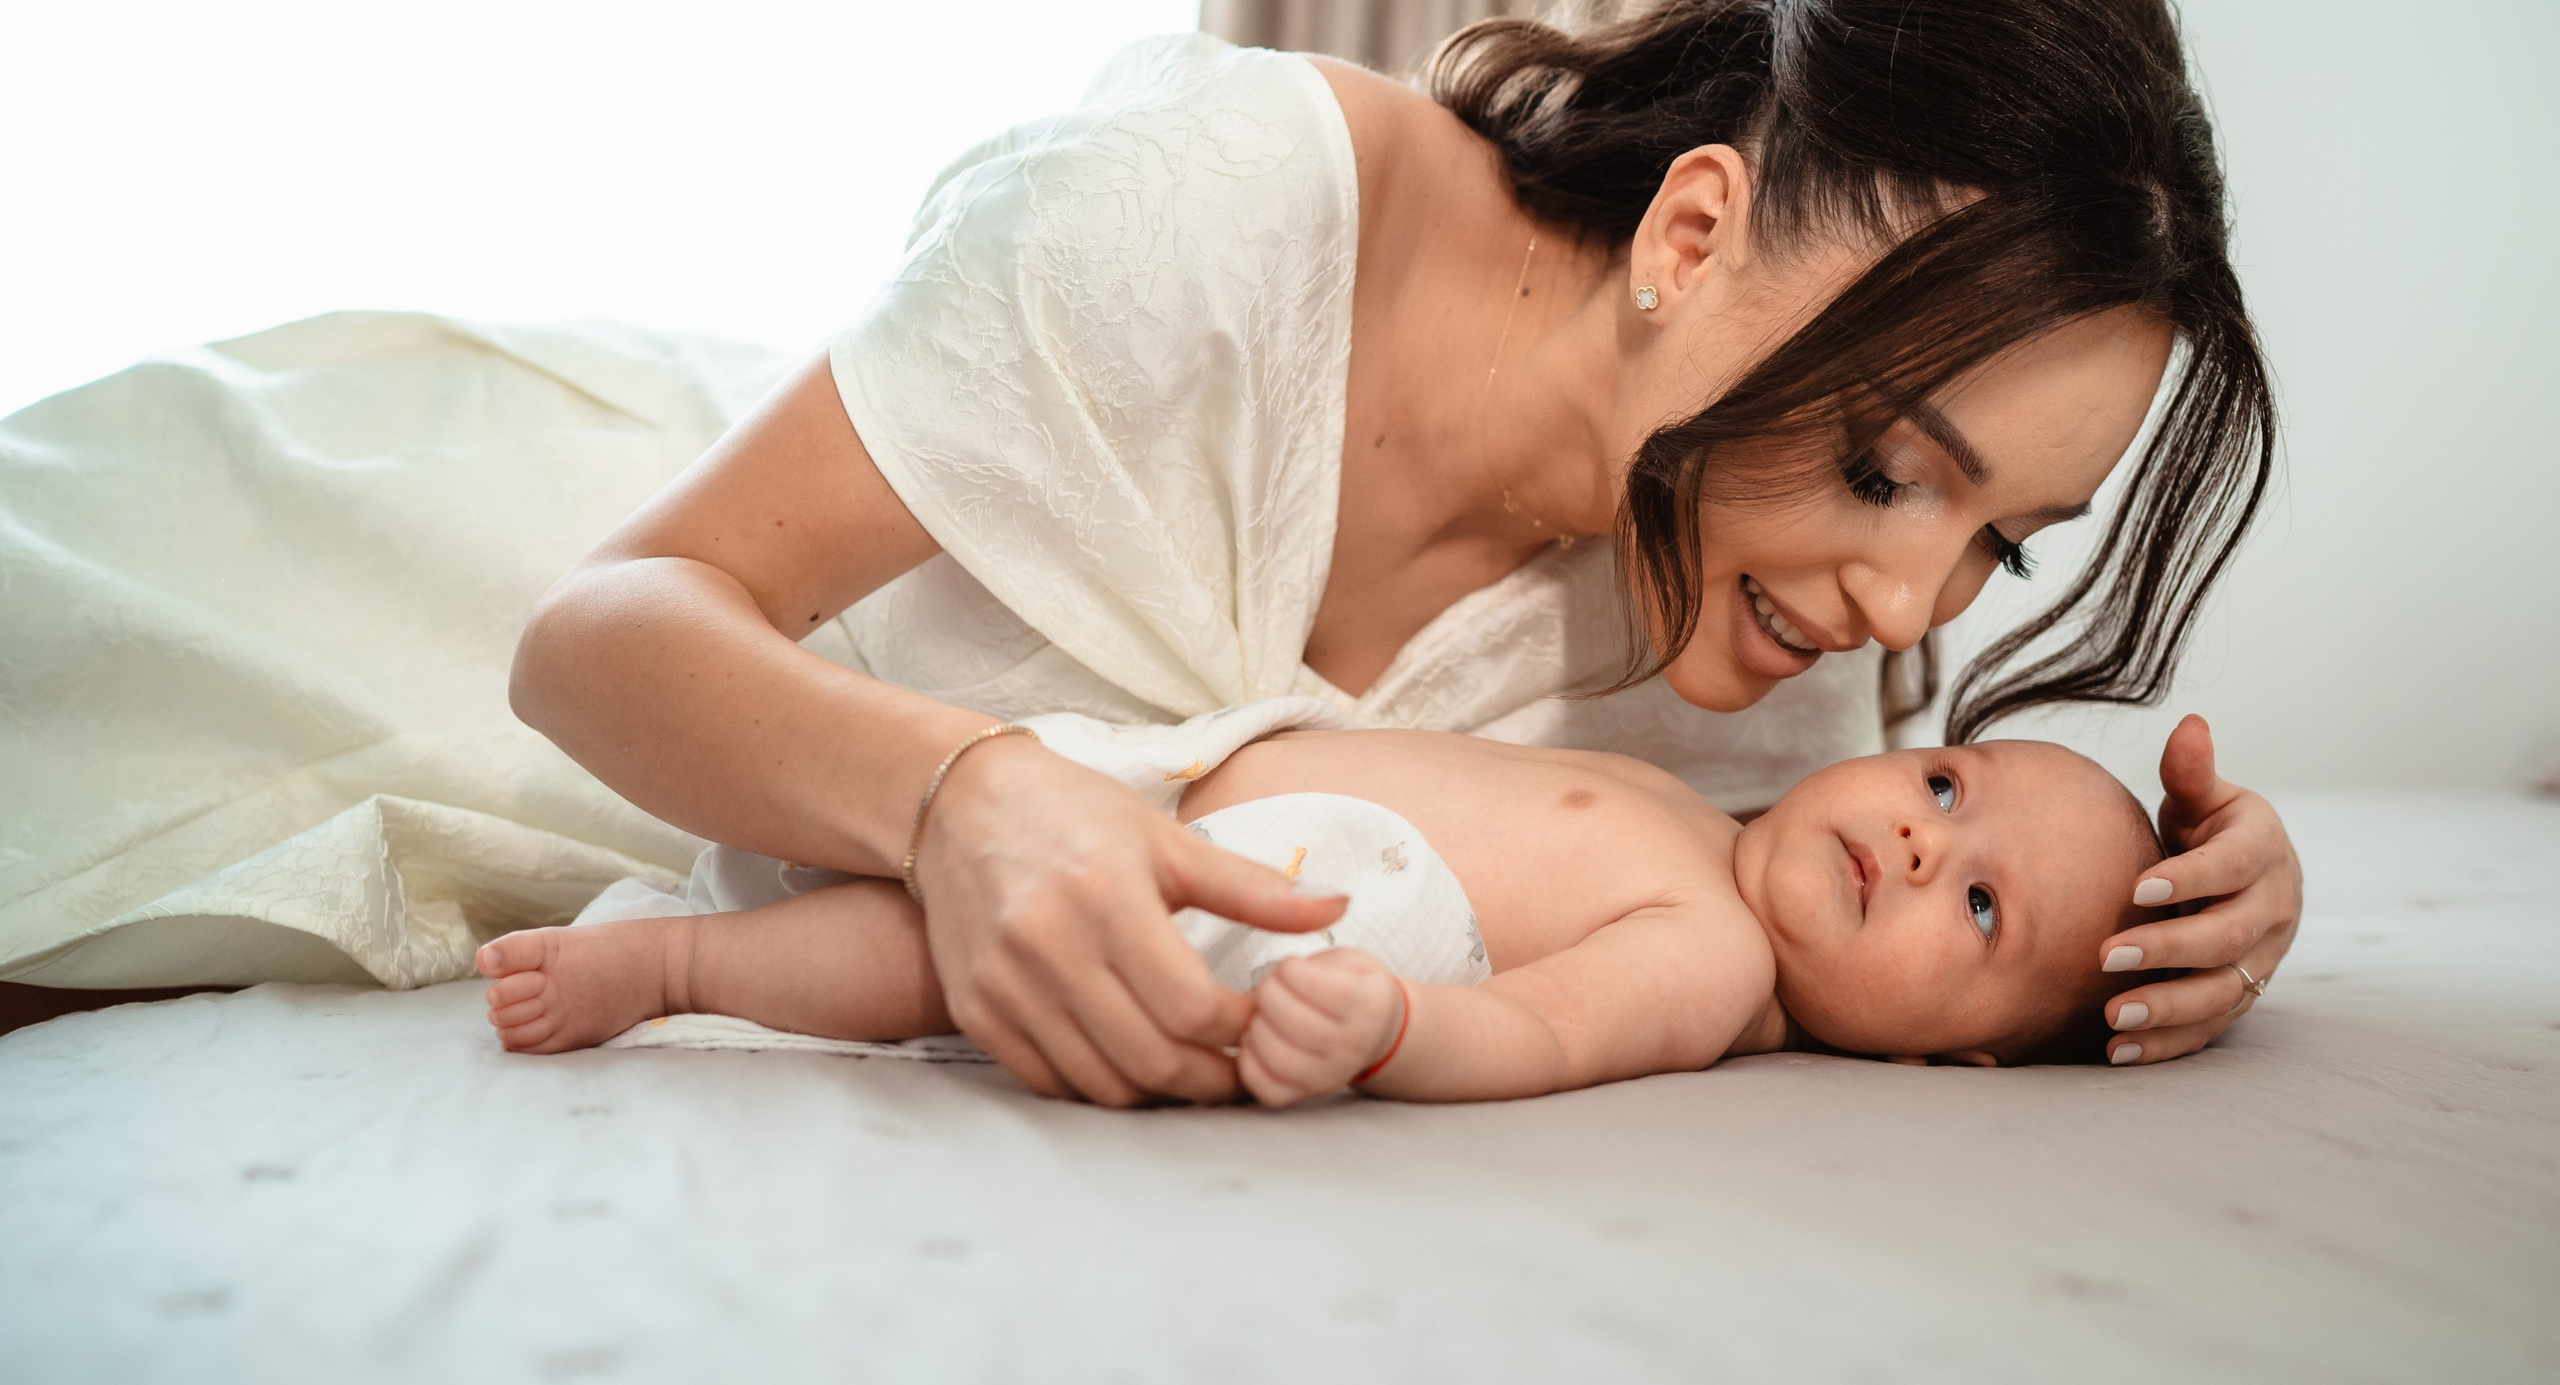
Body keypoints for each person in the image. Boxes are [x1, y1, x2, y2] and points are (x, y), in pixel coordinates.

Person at [504, 0, 2301, 1106]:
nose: (1906, 611)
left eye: (1997, 545)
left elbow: (1883, 927)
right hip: (672, 559)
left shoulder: (1770, 650)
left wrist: (2171, 935)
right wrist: (957, 797)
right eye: (1881, 469)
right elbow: (588, 639)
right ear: (1692, 233)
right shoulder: (1211, 218)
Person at [474, 699, 2197, 1101]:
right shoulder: (1715, 808)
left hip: (1305, 909)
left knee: (930, 959)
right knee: (928, 855)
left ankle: (677, 966)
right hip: (1189, 785)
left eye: (1981, 913)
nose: (1921, 844)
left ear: (1960, 1061)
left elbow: (1540, 1033)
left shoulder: (1717, 957)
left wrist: (1393, 1028)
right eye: (1947, 788)